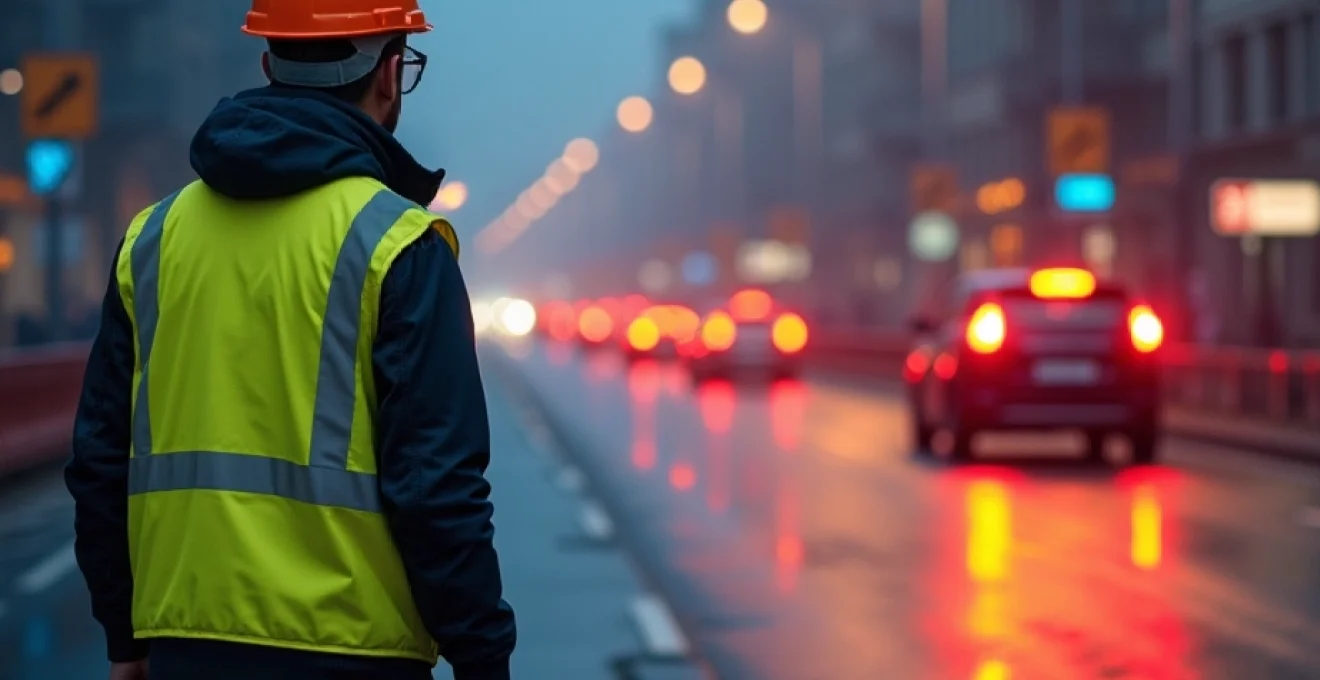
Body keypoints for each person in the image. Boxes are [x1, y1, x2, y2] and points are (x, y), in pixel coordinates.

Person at [64, 1, 516, 678]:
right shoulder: (399, 246)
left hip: (185, 644)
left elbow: (101, 459)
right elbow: (437, 487)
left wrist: (124, 636)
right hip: (355, 652)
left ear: (270, 63)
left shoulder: (153, 239)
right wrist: (483, 656)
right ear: (390, 73)